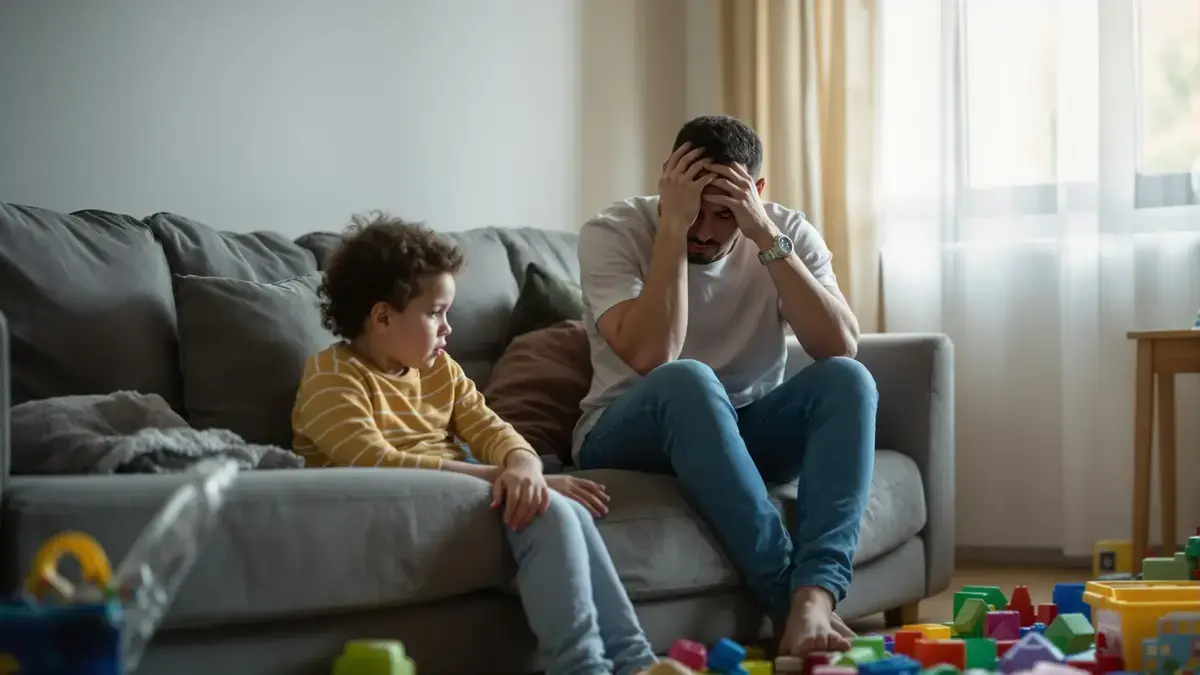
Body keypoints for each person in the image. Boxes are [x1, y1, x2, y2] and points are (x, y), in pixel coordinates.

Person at [291, 213, 659, 675]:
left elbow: (493, 429)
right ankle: (581, 667)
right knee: (546, 509)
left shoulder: (440, 370)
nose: (448, 328)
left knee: (565, 510)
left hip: (455, 490)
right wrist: (504, 478)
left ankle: (637, 662)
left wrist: (524, 467)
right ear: (382, 317)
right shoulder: (331, 377)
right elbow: (375, 461)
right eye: (435, 313)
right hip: (388, 501)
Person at [573, 116, 878, 656]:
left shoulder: (783, 231)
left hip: (741, 431)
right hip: (626, 432)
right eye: (694, 210)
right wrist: (672, 229)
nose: (705, 232)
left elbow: (839, 345)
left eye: (723, 214)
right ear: (668, 180)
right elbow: (653, 355)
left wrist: (764, 236)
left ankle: (815, 596)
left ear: (756, 193)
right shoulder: (613, 232)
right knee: (688, 378)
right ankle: (786, 604)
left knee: (848, 380)